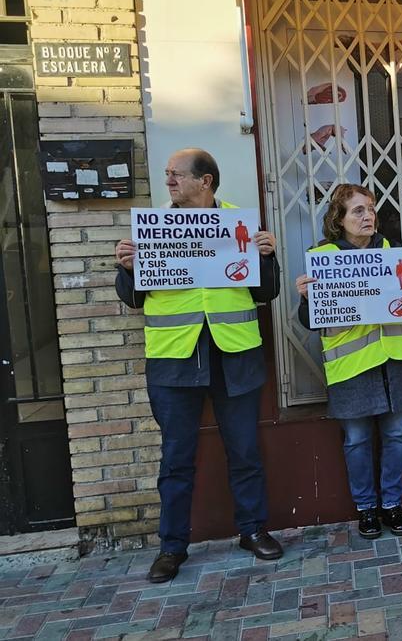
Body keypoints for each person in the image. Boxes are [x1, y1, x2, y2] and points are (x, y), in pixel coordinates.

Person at [114, 148, 282, 583]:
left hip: (234, 355)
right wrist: (128, 268)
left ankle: (252, 530)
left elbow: (267, 294)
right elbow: (133, 299)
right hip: (174, 359)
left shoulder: (242, 225)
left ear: (205, 181)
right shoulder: (151, 230)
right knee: (176, 458)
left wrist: (266, 256)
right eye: (167, 174)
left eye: (177, 175)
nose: (169, 181)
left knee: (245, 451)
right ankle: (172, 547)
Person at [295, 183, 402, 539]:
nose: (368, 215)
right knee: (356, 440)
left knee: (396, 435)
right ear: (338, 219)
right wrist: (307, 297)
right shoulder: (323, 256)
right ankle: (367, 508)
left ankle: (392, 505)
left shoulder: (392, 250)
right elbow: (310, 321)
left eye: (370, 208)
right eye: (358, 210)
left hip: (394, 362)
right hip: (351, 367)